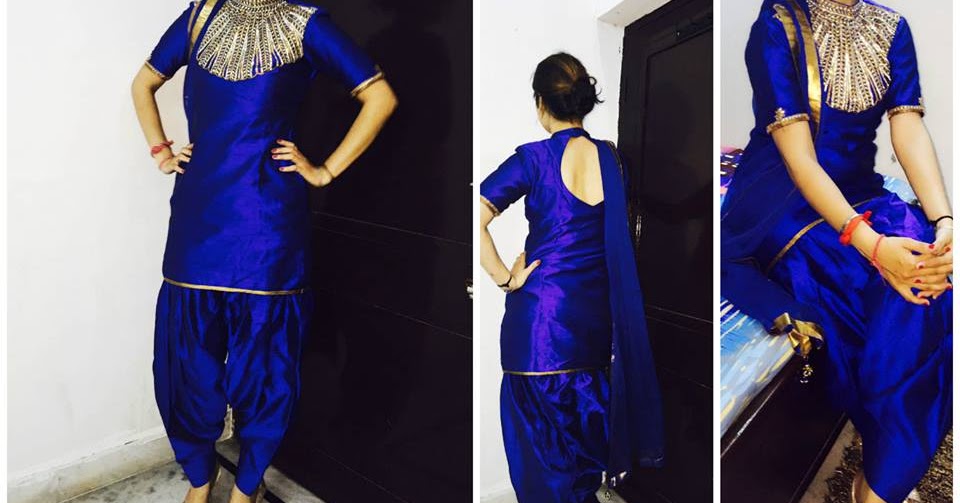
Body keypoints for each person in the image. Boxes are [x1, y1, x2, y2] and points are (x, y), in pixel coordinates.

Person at [131, 0, 397, 501]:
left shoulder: (306, 24)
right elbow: (143, 82)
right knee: (186, 364)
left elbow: (379, 96)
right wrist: (161, 151)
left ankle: (247, 486)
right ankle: (200, 479)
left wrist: (326, 170)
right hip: (198, 219)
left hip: (268, 226)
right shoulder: (198, 17)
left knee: (264, 368)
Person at [721, 1, 952, 502]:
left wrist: (943, 221)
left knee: (931, 279)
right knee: (889, 288)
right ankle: (882, 480)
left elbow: (907, 126)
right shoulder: (779, 21)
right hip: (784, 200)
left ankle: (884, 465)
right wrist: (874, 247)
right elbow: (800, 159)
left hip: (860, 190)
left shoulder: (891, 26)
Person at [479, 53, 664, 503]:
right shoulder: (613, 161)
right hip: (593, 329)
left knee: (541, 461)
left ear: (541, 103)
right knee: (584, 450)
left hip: (538, 329)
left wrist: (505, 279)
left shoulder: (533, 159)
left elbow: (473, 216)